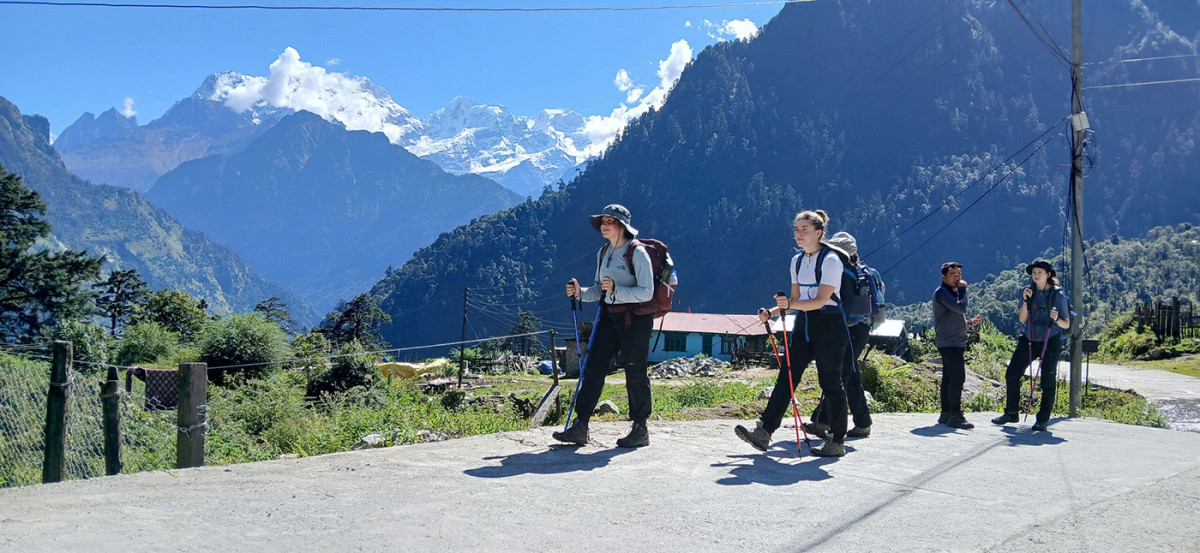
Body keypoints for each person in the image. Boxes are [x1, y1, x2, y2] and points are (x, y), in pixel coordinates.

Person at [734, 210, 850, 457]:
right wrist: (773, 312)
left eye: (804, 229)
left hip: (829, 323)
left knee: (830, 382)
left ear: (819, 233)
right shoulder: (796, 261)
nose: (798, 234)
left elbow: (820, 301)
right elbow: (795, 301)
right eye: (796, 229)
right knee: (787, 377)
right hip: (804, 322)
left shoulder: (831, 260)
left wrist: (788, 305)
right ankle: (764, 431)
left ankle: (837, 440)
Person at [553, 204, 656, 448]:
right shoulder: (603, 252)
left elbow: (647, 292)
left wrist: (617, 290)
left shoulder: (637, 253)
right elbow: (600, 290)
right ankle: (581, 425)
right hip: (609, 316)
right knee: (594, 368)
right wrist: (580, 292)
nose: (603, 225)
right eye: (602, 221)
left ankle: (640, 428)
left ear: (622, 226)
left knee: (635, 370)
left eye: (610, 221)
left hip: (635, 319)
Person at [804, 231, 873, 440]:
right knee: (848, 375)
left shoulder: (841, 271)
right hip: (861, 327)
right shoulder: (864, 271)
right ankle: (861, 423)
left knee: (838, 376)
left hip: (846, 329)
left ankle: (825, 422)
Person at [991, 260, 1071, 432]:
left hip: (1050, 340)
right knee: (1012, 374)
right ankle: (1011, 412)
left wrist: (1056, 318)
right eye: (1034, 272)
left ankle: (1042, 420)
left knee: (1047, 380)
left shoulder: (1058, 296)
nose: (1036, 275)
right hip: (1029, 338)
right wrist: (1025, 301)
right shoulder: (1028, 291)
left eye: (1040, 272)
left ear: (1048, 274)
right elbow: (1022, 319)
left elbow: (1066, 324)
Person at [932, 261, 983, 429]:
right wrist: (963, 290)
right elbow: (961, 308)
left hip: (953, 341)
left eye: (959, 275)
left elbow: (954, 316)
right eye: (952, 275)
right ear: (943, 276)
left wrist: (968, 323)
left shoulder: (950, 293)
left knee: (949, 377)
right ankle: (955, 415)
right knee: (958, 377)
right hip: (950, 343)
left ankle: (946, 413)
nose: (957, 278)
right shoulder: (942, 292)